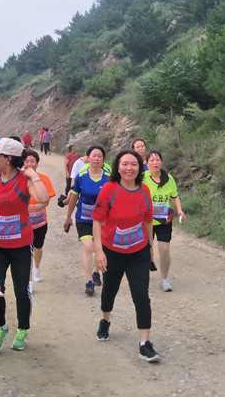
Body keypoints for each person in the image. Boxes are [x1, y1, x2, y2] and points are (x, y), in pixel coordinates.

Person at [0, 137, 49, 352]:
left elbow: (43, 199)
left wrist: (33, 175)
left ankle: (22, 329)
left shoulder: (24, 180)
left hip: (21, 246)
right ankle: (1, 326)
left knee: (21, 290)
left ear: (8, 158)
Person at [92, 149, 160, 362]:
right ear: (117, 167)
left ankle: (144, 344)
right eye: (125, 164)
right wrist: (99, 251)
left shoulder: (145, 191)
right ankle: (105, 319)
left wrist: (149, 247)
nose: (129, 168)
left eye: (134, 164)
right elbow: (97, 221)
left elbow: (148, 221)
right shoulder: (109, 189)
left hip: (138, 252)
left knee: (141, 295)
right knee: (109, 290)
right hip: (112, 251)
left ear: (140, 168)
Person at [63, 145, 109, 296]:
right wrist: (68, 217)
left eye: (99, 156)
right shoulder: (81, 177)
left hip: (103, 220)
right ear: (88, 158)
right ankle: (89, 281)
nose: (96, 159)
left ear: (103, 160)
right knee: (89, 247)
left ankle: (96, 271)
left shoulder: (109, 178)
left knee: (99, 248)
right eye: (93, 156)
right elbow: (74, 197)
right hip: (84, 218)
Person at [145, 150, 186, 292]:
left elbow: (174, 196)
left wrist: (179, 210)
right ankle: (142, 275)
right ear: (147, 163)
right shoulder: (142, 178)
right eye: (152, 160)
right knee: (145, 250)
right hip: (146, 221)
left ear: (161, 162)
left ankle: (164, 279)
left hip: (164, 219)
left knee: (164, 249)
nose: (155, 162)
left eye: (157, 160)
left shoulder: (168, 178)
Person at [22, 149, 56, 290]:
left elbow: (47, 200)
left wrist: (38, 206)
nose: (29, 164)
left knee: (38, 247)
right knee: (25, 251)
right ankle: (29, 280)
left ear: (37, 163)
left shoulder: (44, 179)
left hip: (40, 222)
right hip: (23, 223)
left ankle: (36, 268)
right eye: (26, 161)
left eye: (32, 161)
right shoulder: (19, 179)